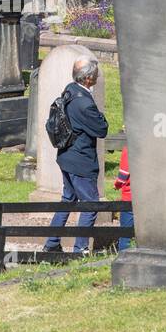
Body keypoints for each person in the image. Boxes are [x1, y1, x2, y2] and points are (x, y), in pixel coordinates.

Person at [43, 58, 109, 253]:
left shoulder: (70, 89)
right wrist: (100, 116)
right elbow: (102, 129)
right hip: (81, 162)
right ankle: (80, 249)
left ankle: (52, 243)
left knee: (68, 200)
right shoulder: (84, 103)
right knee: (90, 204)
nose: (98, 75)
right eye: (96, 72)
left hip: (66, 158)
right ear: (88, 78)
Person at [114, 144, 134, 251]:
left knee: (125, 233)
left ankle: (123, 255)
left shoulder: (129, 147)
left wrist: (117, 184)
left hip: (129, 196)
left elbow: (124, 173)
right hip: (146, 197)